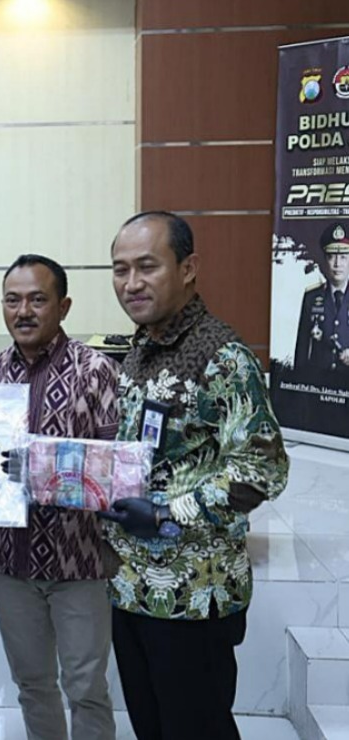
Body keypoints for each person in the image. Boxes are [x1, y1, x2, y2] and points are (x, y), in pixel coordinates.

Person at [104, 211, 289, 740]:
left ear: (188, 268)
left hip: (194, 597)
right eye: (120, 269)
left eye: (147, 266)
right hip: (132, 588)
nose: (131, 283)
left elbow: (262, 469)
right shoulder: (139, 351)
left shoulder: (222, 357)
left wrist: (167, 512)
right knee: (151, 727)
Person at [0, 255, 119, 740]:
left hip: (81, 563)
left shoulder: (97, 371)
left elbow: (115, 472)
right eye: (13, 300)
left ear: (63, 306)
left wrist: (42, 471)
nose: (23, 311)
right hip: (11, 563)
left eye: (37, 299)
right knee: (32, 685)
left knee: (86, 688)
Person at [294, 221, 349, 376]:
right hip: (318, 382)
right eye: (332, 257)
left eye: (343, 257)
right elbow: (302, 349)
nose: (338, 264)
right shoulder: (311, 297)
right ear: (325, 260)